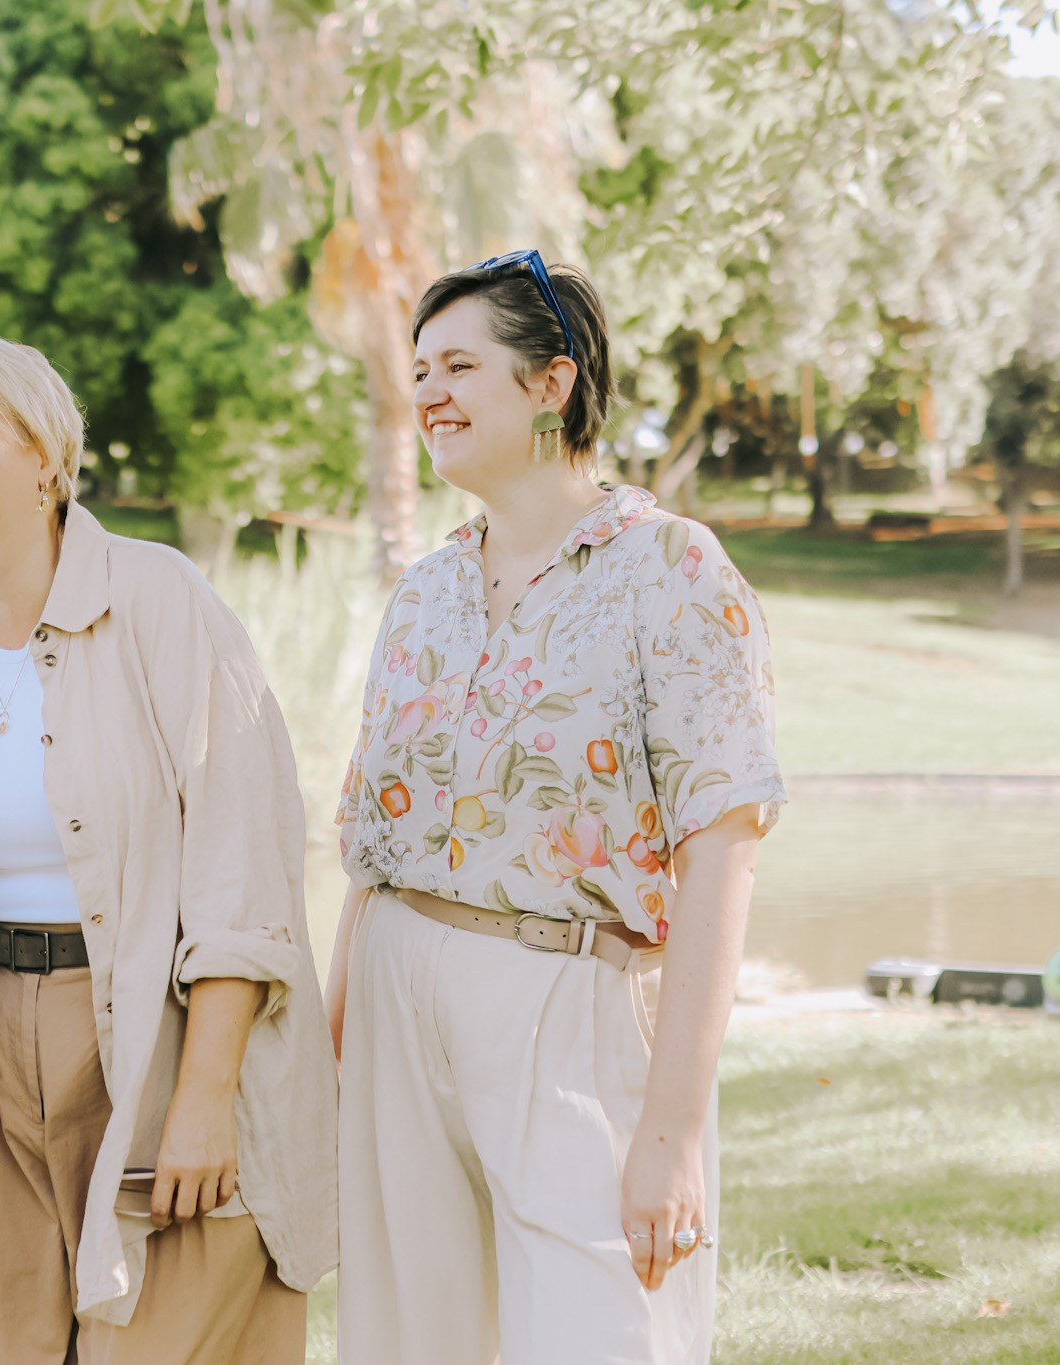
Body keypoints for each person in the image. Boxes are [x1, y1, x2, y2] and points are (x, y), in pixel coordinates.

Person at [326, 251, 786, 1364]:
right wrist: (335, 1051)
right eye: (418, 367)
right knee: (407, 1339)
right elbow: (368, 854)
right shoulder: (425, 589)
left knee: (599, 1332)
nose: (426, 391)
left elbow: (722, 855)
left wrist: (669, 1135)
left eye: (458, 365)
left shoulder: (672, 571)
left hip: (567, 998)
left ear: (549, 384)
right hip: (396, 990)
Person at [0, 325, 337, 1364]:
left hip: (161, 1033)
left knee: (164, 1337)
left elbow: (243, 866)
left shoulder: (159, 598)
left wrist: (203, 1101)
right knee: (9, 1343)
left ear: (43, 454)